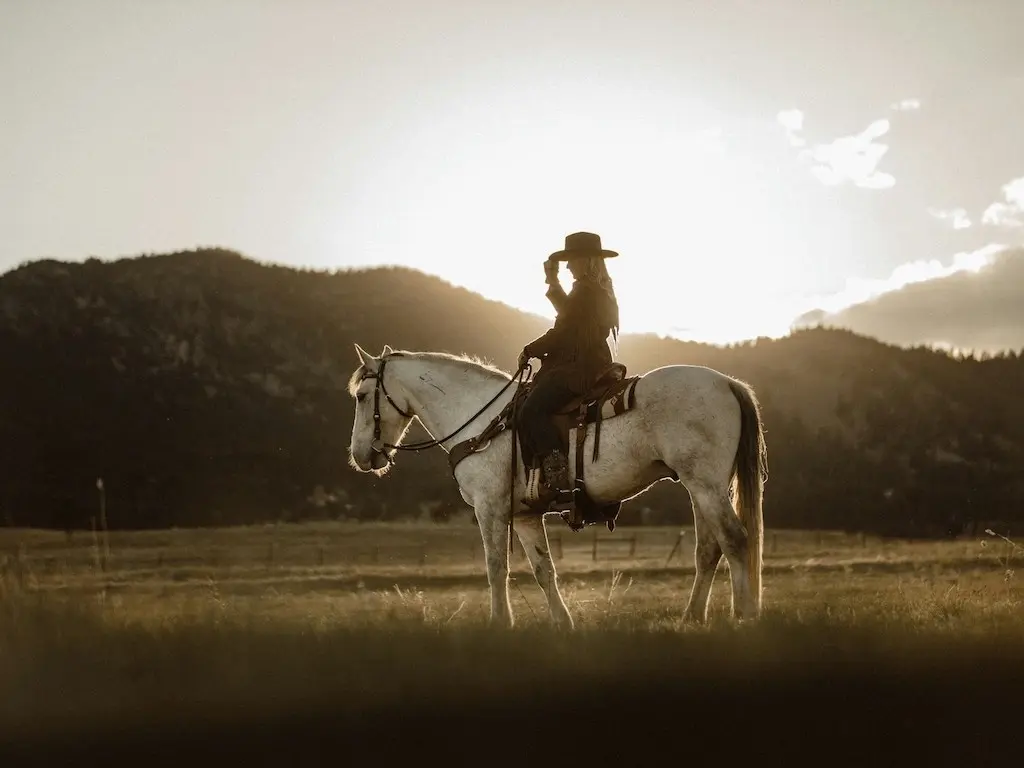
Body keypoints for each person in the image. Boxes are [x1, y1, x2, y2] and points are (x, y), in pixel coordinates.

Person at [517, 231, 621, 502]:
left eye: (572, 260)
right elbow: (570, 315)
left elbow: (562, 330)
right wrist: (552, 281)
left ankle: (556, 471)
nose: (568, 266)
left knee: (531, 410)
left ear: (586, 260)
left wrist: (531, 350)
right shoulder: (599, 289)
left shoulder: (584, 290)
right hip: (595, 362)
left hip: (577, 368)